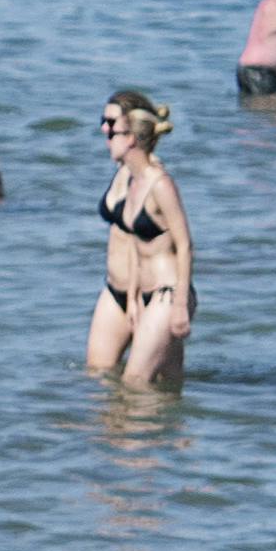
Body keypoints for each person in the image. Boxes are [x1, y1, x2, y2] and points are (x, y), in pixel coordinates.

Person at [91, 88, 194, 390]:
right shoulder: (130, 176)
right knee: (159, 382)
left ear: (133, 133)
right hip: (125, 289)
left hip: (165, 292)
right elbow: (135, 239)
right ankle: (172, 436)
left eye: (111, 125)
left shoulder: (157, 180)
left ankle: (146, 435)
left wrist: (180, 303)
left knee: (136, 384)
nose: (104, 130)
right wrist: (134, 295)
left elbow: (185, 244)